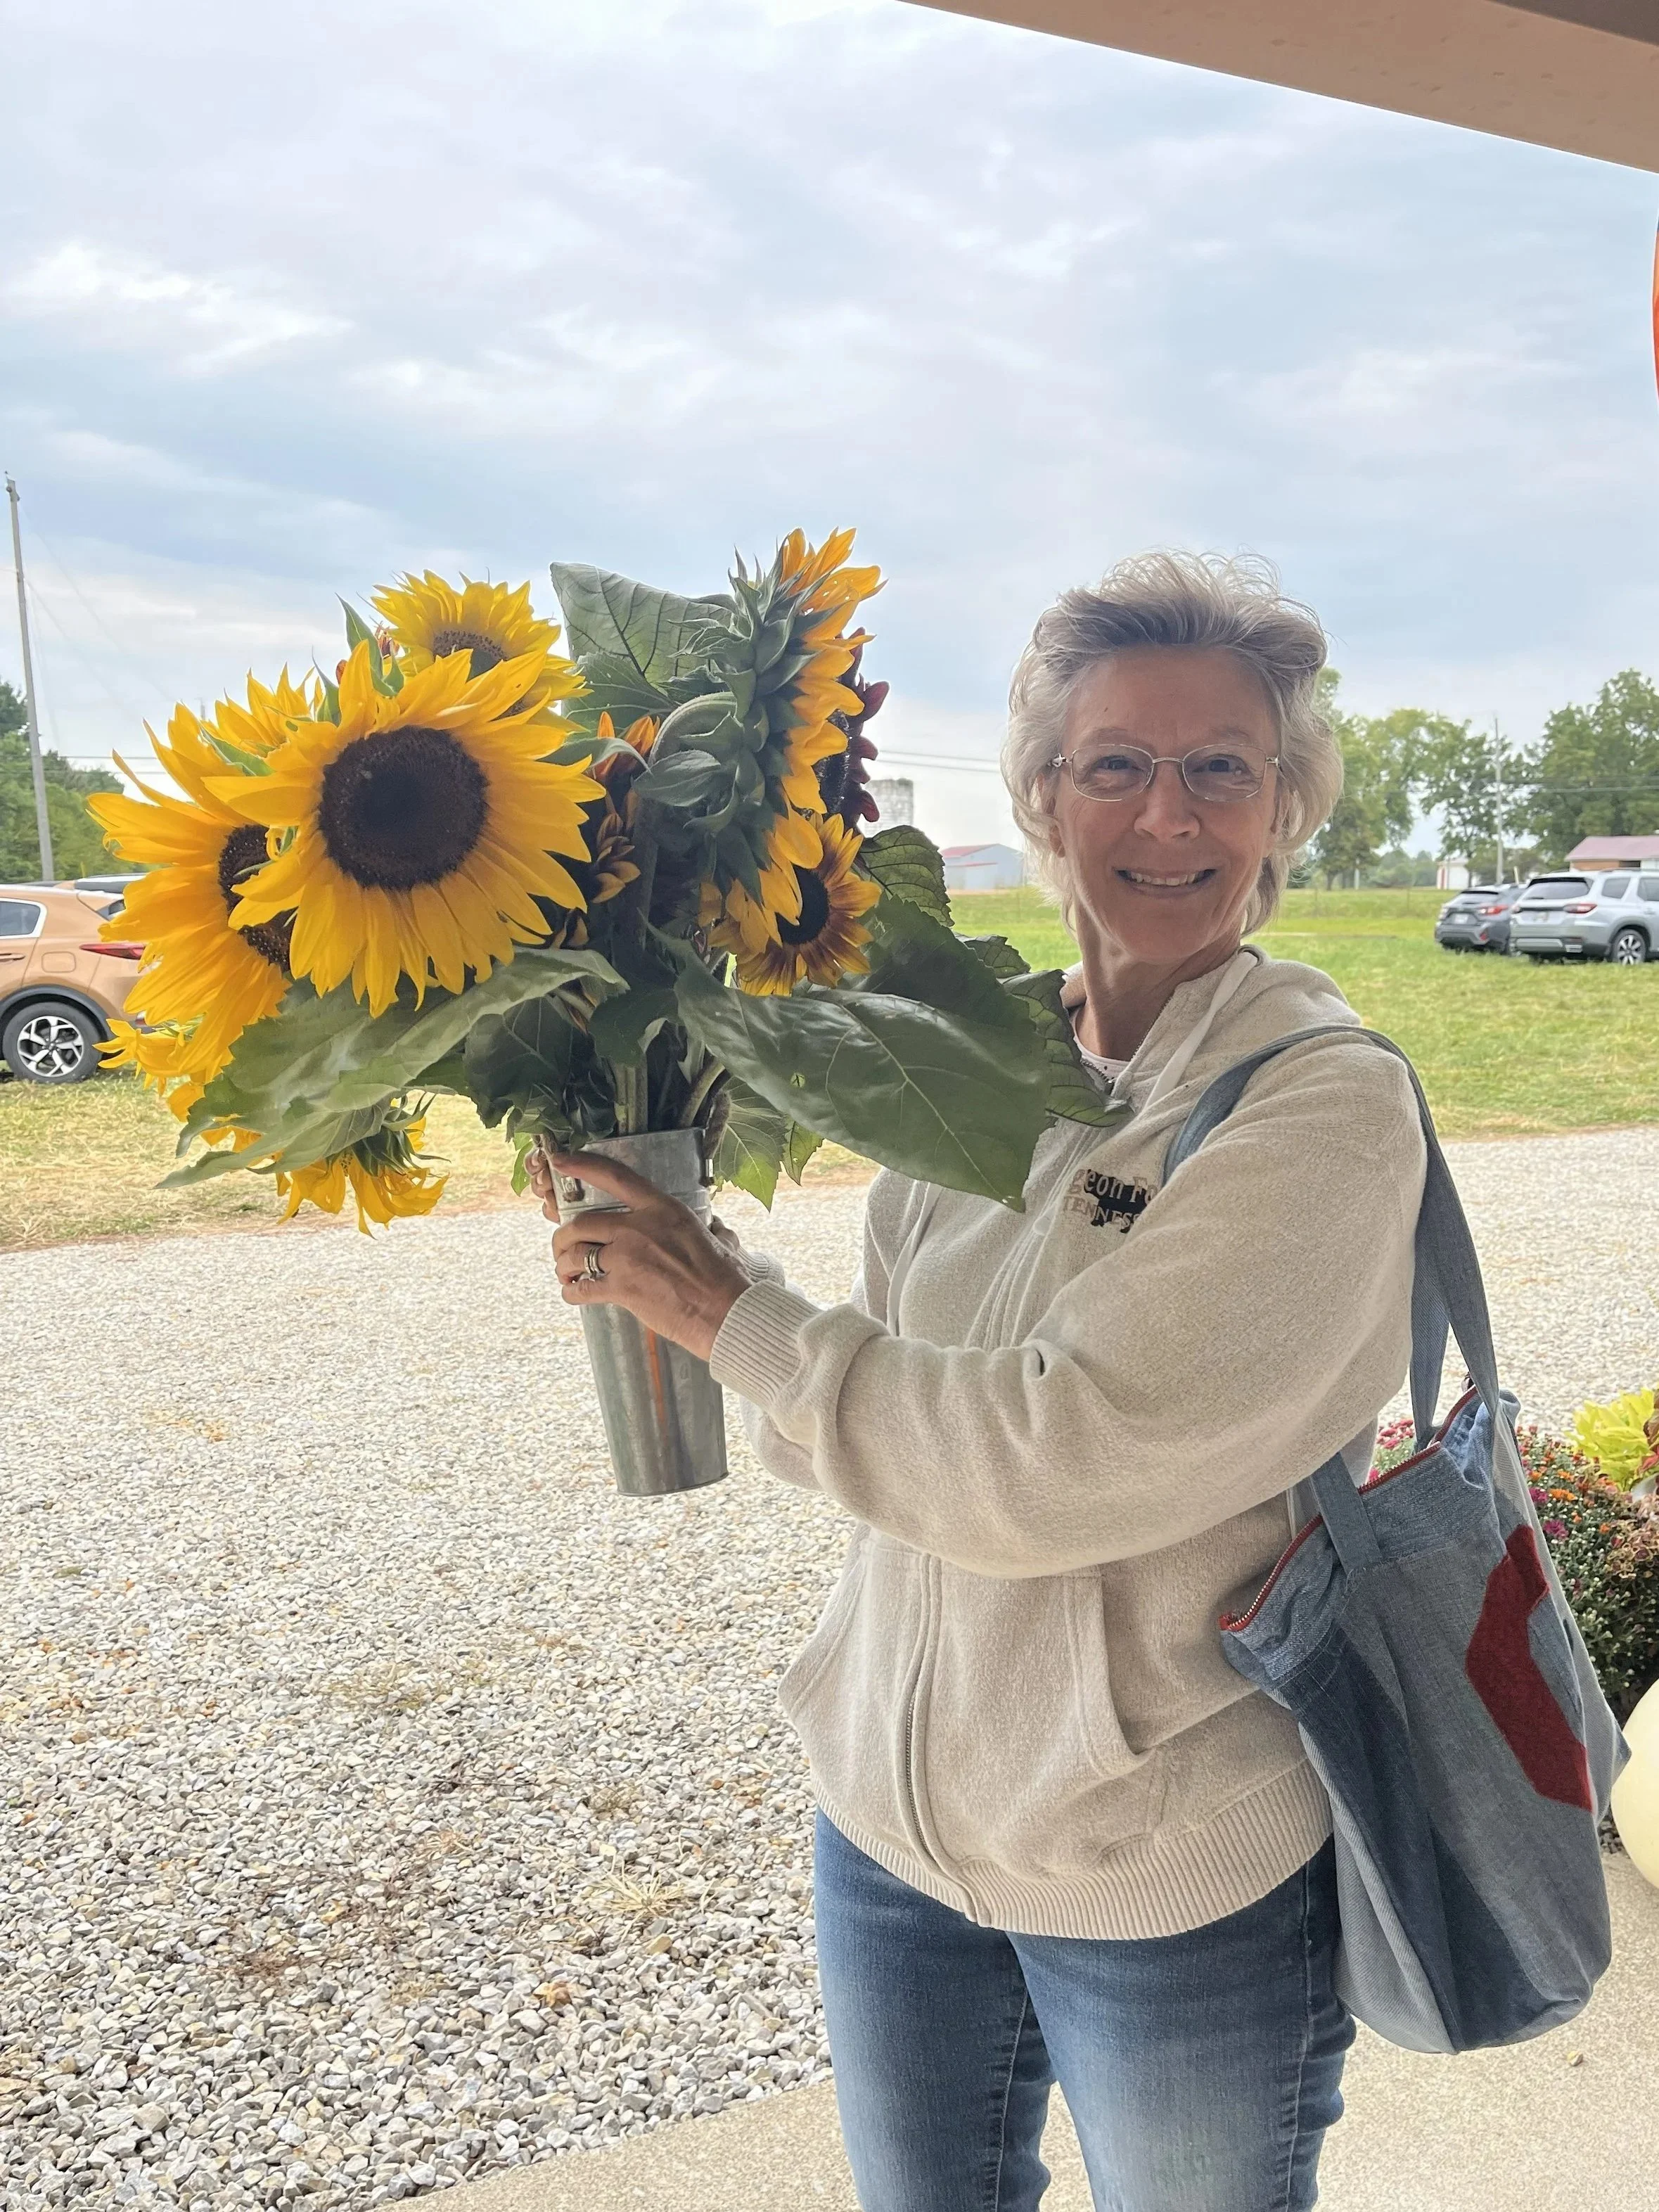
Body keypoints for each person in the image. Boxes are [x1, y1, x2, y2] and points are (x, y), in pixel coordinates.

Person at [528, 551, 1427, 2212]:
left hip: (1169, 1874)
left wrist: (732, 1318)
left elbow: (1040, 1463)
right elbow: (877, 1420)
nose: (1168, 813)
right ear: (1042, 793)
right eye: (1116, 764)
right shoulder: (973, 1049)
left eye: (1222, 765)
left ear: (1287, 805)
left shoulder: (1323, 1105)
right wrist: (676, 1263)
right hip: (887, 1837)